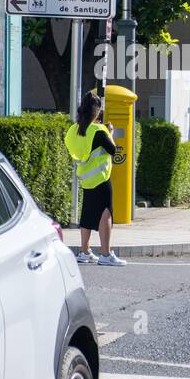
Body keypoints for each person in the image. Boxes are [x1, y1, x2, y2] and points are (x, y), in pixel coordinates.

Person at [63, 92, 127, 266]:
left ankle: (84, 252)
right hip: (101, 178)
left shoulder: (73, 130)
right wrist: (110, 132)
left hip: (85, 178)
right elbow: (113, 150)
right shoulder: (99, 131)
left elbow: (74, 147)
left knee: (87, 214)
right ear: (97, 112)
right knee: (106, 213)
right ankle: (105, 254)